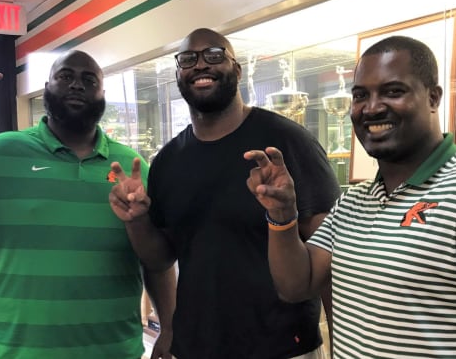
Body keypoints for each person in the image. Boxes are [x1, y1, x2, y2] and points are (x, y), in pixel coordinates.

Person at [245, 35, 456, 358]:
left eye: (393, 91)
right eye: (360, 95)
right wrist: (283, 214)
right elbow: (297, 284)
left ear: (433, 98)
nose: (371, 108)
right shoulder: (353, 203)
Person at [0, 50, 175, 359]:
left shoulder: (132, 168)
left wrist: (170, 326)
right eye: (66, 77)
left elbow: (157, 261)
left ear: (103, 94)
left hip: (113, 350)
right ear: (46, 87)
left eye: (89, 80)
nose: (77, 85)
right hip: (13, 351)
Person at [109, 28, 341, 358]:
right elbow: (160, 258)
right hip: (196, 345)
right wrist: (137, 221)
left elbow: (331, 255)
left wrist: (343, 348)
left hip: (280, 347)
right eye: (188, 59)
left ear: (237, 70)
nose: (201, 65)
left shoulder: (286, 141)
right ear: (179, 75)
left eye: (214, 55)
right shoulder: (168, 160)